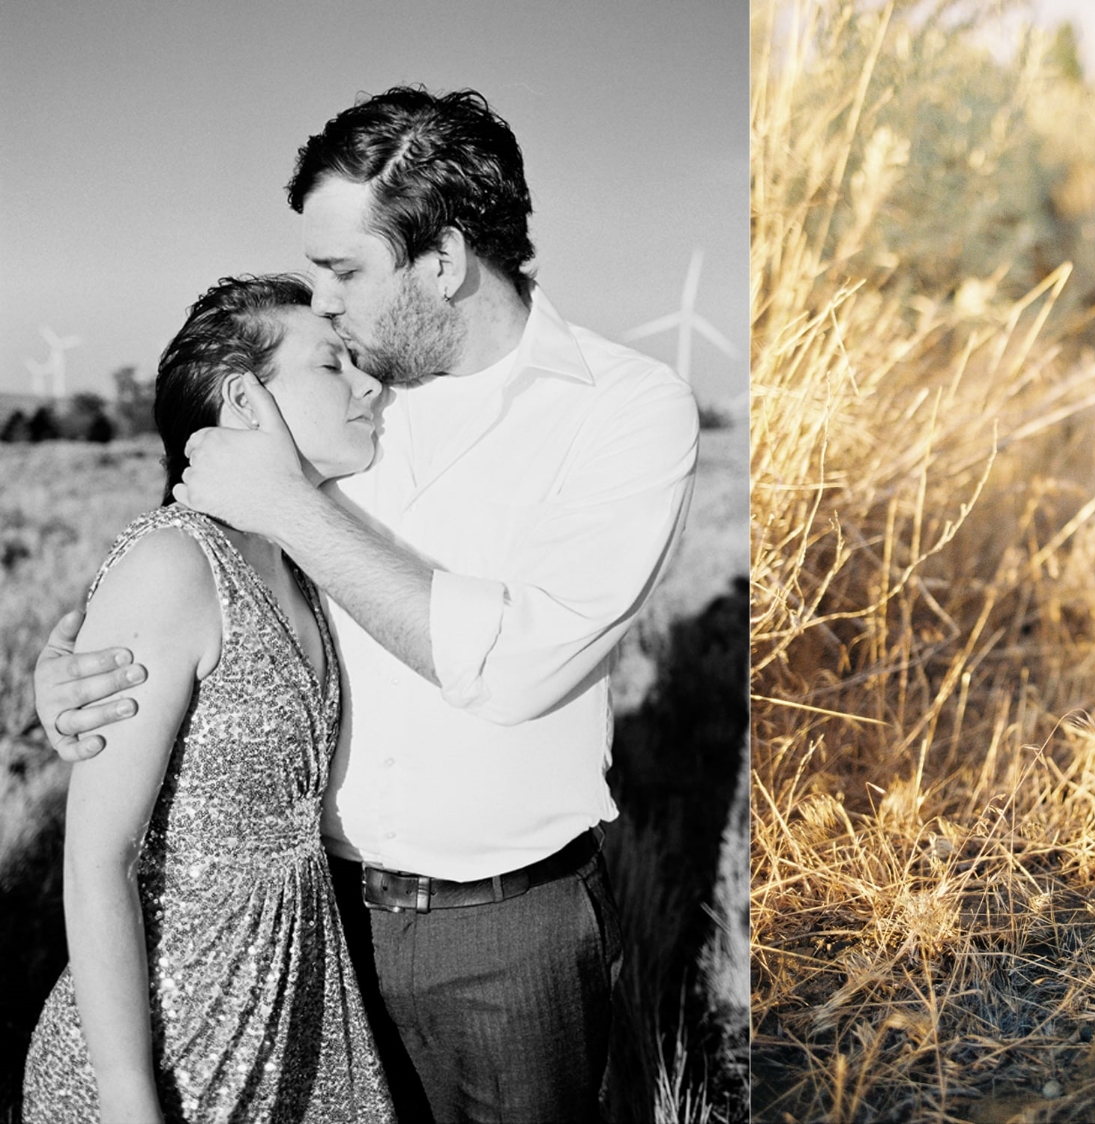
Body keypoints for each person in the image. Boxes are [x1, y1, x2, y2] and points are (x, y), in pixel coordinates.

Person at [34, 87, 699, 1123]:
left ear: (441, 262)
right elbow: (194, 552)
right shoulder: (350, 399)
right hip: (317, 925)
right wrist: (73, 662)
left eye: (344, 270)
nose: (328, 303)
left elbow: (518, 664)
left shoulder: (624, 411)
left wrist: (291, 506)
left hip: (506, 932)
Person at [23, 275, 394, 1123]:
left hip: (293, 1006)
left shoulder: (301, 549)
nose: (368, 384)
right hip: (172, 1041)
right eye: (333, 365)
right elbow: (95, 860)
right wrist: (128, 1100)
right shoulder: (175, 565)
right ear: (242, 400)